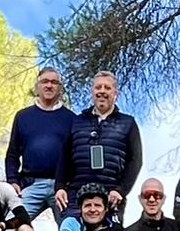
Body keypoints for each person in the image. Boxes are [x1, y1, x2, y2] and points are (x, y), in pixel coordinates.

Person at [55, 71, 141, 216]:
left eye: (107, 88)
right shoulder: (76, 121)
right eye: (98, 87)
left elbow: (135, 161)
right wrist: (60, 187)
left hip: (111, 197)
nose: (102, 91)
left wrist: (121, 190)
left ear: (115, 93)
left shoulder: (128, 123)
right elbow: (64, 157)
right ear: (92, 92)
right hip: (76, 196)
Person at [5, 68, 75, 231]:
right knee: (8, 228)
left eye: (54, 82)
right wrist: (13, 181)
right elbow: (13, 153)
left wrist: (67, 185)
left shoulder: (72, 119)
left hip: (62, 189)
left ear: (60, 88)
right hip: (31, 185)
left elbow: (76, 157)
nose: (49, 86)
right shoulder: (23, 116)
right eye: (45, 81)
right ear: (37, 86)